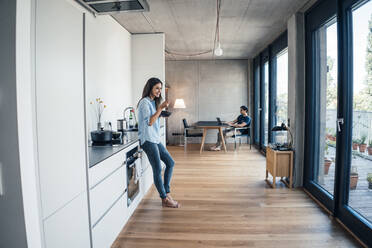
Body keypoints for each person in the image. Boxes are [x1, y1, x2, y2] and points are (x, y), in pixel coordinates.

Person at [137, 77, 180, 208]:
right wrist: (160, 109)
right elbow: (149, 122)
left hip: (154, 138)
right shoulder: (144, 102)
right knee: (157, 169)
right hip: (148, 140)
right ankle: (164, 199)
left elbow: (153, 118)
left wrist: (160, 112)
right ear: (150, 87)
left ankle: (166, 192)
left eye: (160, 89)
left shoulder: (152, 102)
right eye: (157, 88)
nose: (159, 91)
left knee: (170, 163)